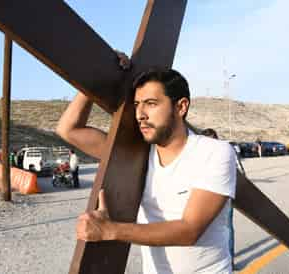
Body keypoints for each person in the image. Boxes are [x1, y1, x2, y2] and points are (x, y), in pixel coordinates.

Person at [56, 59, 237, 273]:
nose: (140, 114)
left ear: (181, 107)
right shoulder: (137, 156)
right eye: (137, 104)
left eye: (151, 103)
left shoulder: (214, 152)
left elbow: (189, 230)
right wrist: (102, 74)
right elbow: (68, 129)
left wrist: (110, 230)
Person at [201, 128, 236, 270]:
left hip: (224, 197)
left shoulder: (225, 152)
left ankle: (230, 259)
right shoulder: (202, 155)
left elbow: (239, 173)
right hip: (205, 196)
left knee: (226, 228)